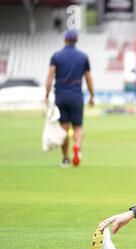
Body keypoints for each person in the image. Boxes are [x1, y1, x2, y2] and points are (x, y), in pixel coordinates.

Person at [45, 29, 95, 168]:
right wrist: (92, 95)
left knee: (64, 128)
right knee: (78, 127)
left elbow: (50, 76)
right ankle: (77, 147)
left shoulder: (56, 56)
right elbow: (88, 78)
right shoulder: (83, 57)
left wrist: (47, 94)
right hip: (76, 95)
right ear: (76, 40)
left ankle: (65, 158)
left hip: (61, 94)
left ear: (65, 40)